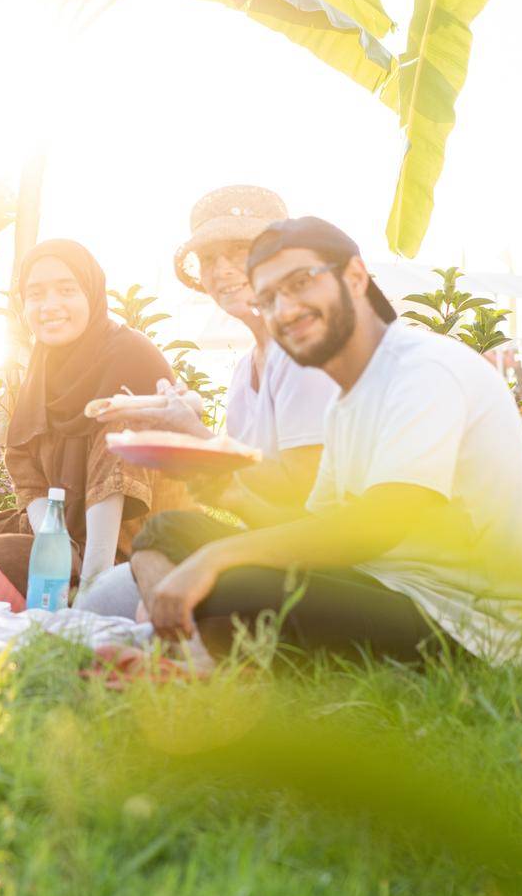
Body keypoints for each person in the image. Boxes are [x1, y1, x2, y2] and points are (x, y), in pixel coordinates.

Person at [134, 217, 522, 664]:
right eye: (268, 299)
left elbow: (379, 524)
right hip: (380, 587)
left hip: (462, 625)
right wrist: (233, 496)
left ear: (354, 276)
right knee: (167, 534)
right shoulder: (345, 402)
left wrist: (216, 557)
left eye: (300, 283)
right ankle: (195, 669)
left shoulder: (424, 368)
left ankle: (195, 671)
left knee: (215, 583)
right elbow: (315, 525)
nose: (286, 309)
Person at [87, 187, 340, 613]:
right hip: (269, 541)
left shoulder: (307, 356)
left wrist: (195, 434)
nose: (221, 270)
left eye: (239, 250)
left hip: (329, 554)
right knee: (107, 593)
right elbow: (250, 492)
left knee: (154, 554)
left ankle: (180, 649)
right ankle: (171, 647)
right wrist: (185, 447)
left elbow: (303, 495)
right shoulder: (245, 373)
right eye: (208, 258)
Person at [0, 239, 186, 600]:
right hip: (62, 535)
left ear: (92, 293)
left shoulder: (130, 354)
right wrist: (53, 545)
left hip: (125, 547)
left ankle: (85, 588)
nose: (49, 306)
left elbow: (118, 464)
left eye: (66, 290)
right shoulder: (46, 362)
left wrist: (95, 585)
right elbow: (24, 462)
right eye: (35, 294)